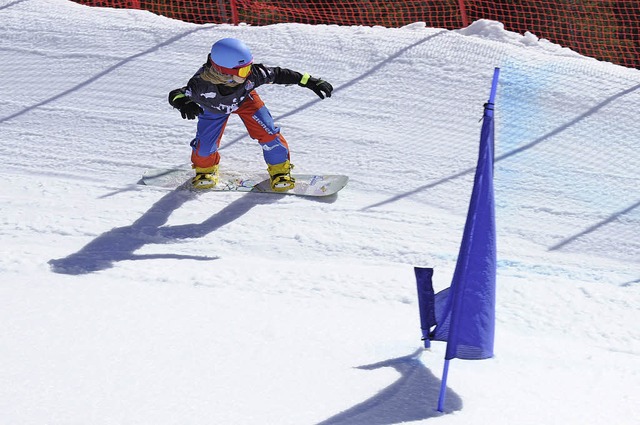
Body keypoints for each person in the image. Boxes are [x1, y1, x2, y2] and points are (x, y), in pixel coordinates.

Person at [168, 38, 333, 191]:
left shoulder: (251, 76)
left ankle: (280, 170)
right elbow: (176, 94)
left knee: (268, 133)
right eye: (243, 69)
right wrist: (184, 103)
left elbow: (279, 74)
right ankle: (206, 170)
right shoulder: (201, 85)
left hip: (245, 100)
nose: (249, 72)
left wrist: (310, 81)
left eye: (249, 66)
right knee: (204, 147)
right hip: (212, 108)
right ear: (224, 72)